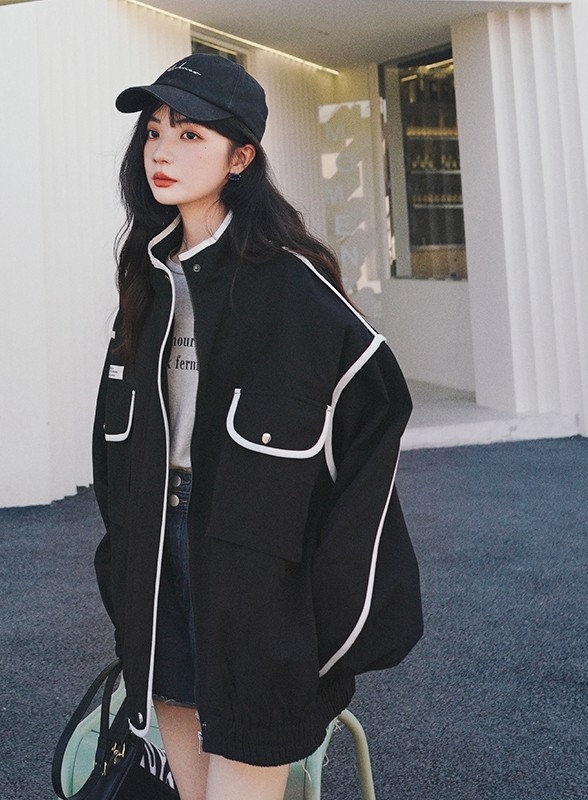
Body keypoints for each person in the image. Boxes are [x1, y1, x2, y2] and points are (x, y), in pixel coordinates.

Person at [92, 53, 423, 800]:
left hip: (254, 568)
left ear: (240, 159)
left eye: (191, 136)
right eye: (154, 132)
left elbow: (374, 420)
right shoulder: (148, 276)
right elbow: (114, 443)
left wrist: (324, 611)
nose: (162, 152)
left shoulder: (292, 284)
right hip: (157, 554)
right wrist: (122, 559)